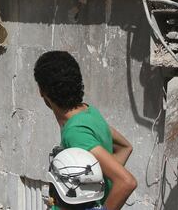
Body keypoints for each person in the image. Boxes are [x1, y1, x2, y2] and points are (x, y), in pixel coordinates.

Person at [34, 51, 137, 210]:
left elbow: (126, 182)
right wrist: (103, 177)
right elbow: (125, 148)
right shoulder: (88, 113)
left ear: (42, 92)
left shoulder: (76, 133)